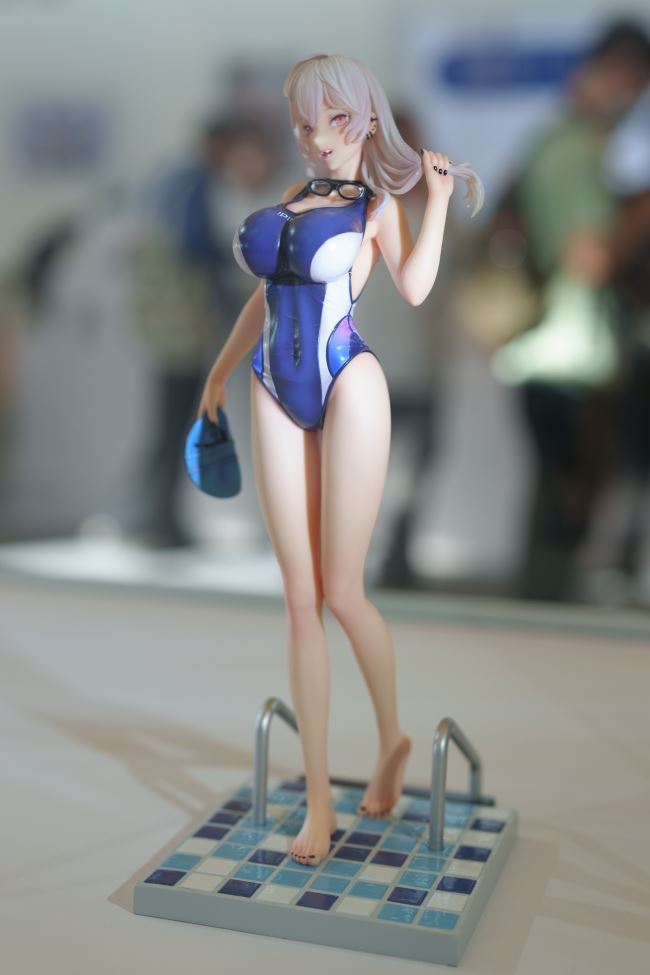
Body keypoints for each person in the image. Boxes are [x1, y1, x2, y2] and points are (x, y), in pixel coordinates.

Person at [197, 53, 483, 866]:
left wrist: (435, 203)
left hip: (348, 381)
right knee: (299, 598)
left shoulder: (377, 205)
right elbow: (264, 298)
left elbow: (416, 288)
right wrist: (218, 372)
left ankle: (392, 738)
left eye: (336, 120)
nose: (318, 137)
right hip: (270, 385)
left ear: (365, 120)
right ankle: (318, 794)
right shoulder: (294, 196)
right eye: (304, 122)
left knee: (344, 590)